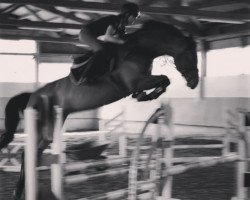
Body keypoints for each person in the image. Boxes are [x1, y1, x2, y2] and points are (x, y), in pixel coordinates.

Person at [70, 2, 140, 83]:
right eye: (135, 16)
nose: (136, 18)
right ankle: (84, 77)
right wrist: (124, 42)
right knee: (102, 50)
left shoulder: (122, 27)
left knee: (109, 49)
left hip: (92, 35)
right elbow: (108, 37)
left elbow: (114, 41)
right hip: (85, 33)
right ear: (127, 14)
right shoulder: (115, 20)